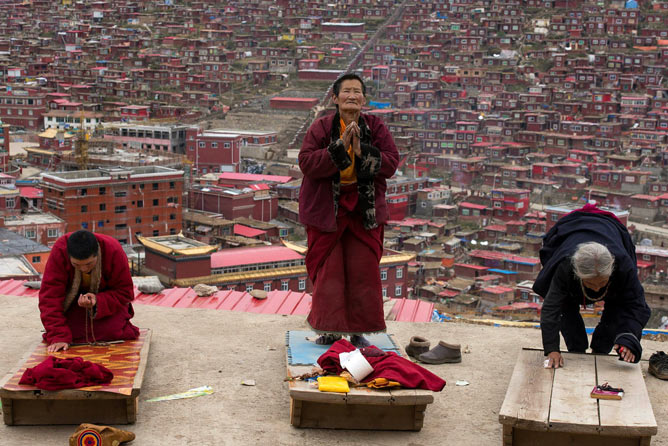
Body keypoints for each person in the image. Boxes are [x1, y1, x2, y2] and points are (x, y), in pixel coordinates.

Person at [298, 73, 399, 348]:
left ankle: (358, 331)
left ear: (364, 99)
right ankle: (329, 330)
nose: (352, 96)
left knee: (362, 271)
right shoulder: (321, 127)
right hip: (327, 208)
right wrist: (339, 149)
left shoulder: (376, 128)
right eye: (346, 92)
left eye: (357, 92)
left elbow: (391, 163)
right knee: (329, 271)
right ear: (335, 98)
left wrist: (361, 149)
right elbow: (306, 163)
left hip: (363, 209)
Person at [533, 204, 651, 368]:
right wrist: (552, 350)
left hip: (610, 234)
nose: (596, 290)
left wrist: (628, 338)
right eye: (590, 284)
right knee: (566, 311)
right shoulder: (566, 268)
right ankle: (577, 350)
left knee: (615, 311)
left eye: (601, 283)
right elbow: (552, 308)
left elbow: (636, 305)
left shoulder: (623, 267)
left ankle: (599, 350)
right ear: (578, 274)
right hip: (571, 237)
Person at [39, 230, 140, 353]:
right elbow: (49, 297)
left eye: (89, 264)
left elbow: (125, 292)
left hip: (106, 306)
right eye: (76, 265)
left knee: (113, 330)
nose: (84, 269)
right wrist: (58, 335)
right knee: (70, 332)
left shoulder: (112, 250)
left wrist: (98, 301)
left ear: (97, 253)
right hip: (72, 305)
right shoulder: (60, 250)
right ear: (68, 256)